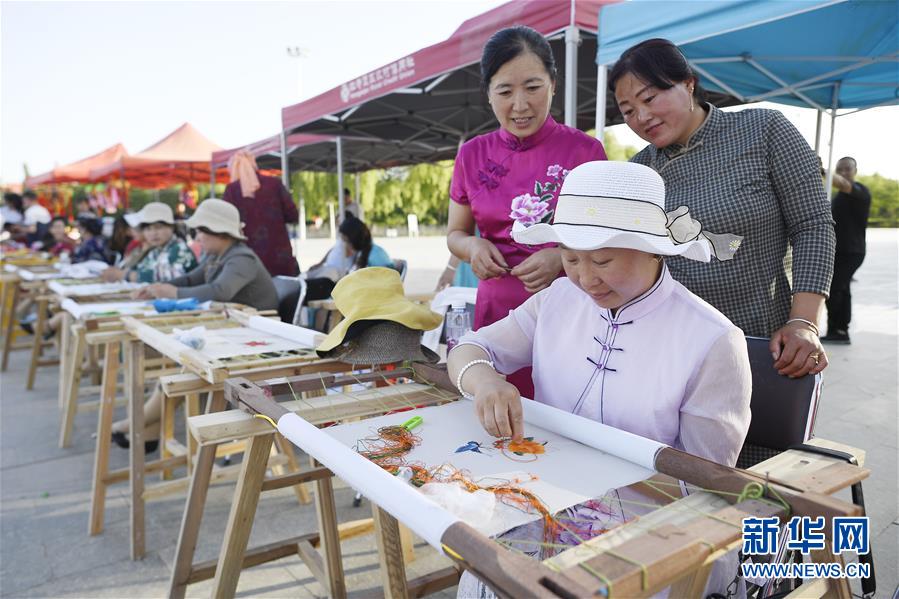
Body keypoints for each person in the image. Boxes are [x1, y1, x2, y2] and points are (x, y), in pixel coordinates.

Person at [447, 161, 751, 598]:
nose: (586, 278)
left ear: (652, 250)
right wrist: (487, 382)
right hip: (550, 497)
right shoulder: (557, 300)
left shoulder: (711, 339)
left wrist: (594, 480)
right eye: (570, 257)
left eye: (603, 260)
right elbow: (470, 349)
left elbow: (704, 487)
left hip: (658, 527)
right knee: (485, 579)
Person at [611, 38, 833, 378]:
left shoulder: (764, 130)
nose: (641, 117)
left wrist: (804, 322)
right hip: (674, 348)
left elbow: (812, 224)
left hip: (767, 343)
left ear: (689, 83)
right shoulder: (639, 172)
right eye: (628, 111)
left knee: (767, 432)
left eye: (650, 97)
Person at [447, 26, 607, 398]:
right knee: (498, 418)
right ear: (488, 94)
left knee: (566, 414)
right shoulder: (471, 155)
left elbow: (604, 238)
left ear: (553, 83)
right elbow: (455, 233)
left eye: (532, 88)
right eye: (505, 91)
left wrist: (560, 257)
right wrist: (472, 248)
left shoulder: (585, 151)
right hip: (497, 313)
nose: (519, 105)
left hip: (569, 306)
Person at [133, 199, 278, 311]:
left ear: (220, 233)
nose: (197, 239)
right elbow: (190, 279)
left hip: (260, 327)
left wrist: (174, 292)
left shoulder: (242, 259)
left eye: (200, 232)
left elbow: (219, 292)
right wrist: (157, 288)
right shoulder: (215, 256)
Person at [222, 150, 299, 277]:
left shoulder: (232, 190)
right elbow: (293, 215)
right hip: (279, 256)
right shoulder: (275, 184)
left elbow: (225, 225)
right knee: (285, 293)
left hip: (248, 260)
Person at [822, 157, 871, 344]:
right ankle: (839, 330)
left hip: (852, 251)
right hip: (839, 251)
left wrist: (823, 171)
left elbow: (842, 183)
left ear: (855, 171)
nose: (843, 172)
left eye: (847, 169)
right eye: (839, 169)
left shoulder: (860, 192)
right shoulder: (838, 197)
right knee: (842, 290)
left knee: (834, 289)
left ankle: (839, 330)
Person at [102, 203, 197, 283]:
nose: (153, 233)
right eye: (148, 229)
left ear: (172, 227)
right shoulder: (155, 251)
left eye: (158, 227)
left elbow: (174, 276)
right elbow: (141, 269)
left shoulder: (179, 248)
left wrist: (126, 275)